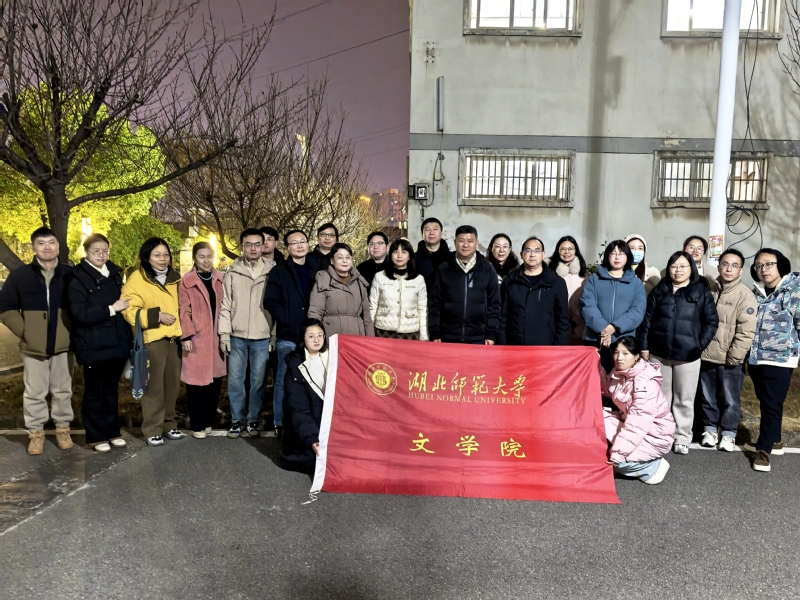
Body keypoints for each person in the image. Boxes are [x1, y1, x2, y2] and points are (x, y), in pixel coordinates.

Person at [0, 227, 74, 455]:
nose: (47, 247)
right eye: (41, 243)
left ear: (58, 246)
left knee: (63, 390)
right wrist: (25, 331)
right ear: (33, 246)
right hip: (33, 347)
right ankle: (35, 433)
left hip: (64, 345)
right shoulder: (20, 276)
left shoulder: (70, 274)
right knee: (34, 392)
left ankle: (63, 429)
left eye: (51, 242)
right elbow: (6, 306)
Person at [638, 251, 719, 455]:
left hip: (688, 355)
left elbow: (711, 322)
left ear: (691, 268)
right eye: (674, 266)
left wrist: (698, 345)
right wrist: (645, 347)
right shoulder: (660, 290)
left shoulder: (701, 291)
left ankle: (682, 436)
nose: (678, 270)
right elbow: (647, 320)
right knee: (661, 397)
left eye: (683, 266)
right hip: (659, 353)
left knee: (684, 398)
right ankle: (661, 434)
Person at [67, 233, 131, 453]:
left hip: (116, 341)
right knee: (95, 391)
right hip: (92, 343)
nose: (102, 255)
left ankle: (113, 431)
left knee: (111, 390)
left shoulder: (113, 273)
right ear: (86, 252)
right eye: (96, 251)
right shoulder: (77, 278)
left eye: (105, 251)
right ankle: (96, 436)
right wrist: (111, 309)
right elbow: (79, 314)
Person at [121, 238, 185, 447]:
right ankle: (152, 429)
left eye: (166, 254)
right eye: (157, 255)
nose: (162, 259)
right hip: (153, 339)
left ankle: (169, 424)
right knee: (153, 388)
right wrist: (157, 316)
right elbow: (129, 310)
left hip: (174, 339)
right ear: (147, 257)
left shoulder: (176, 278)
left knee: (172, 386)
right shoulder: (137, 279)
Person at [745, 248, 800, 472]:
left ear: (781, 265)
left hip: (780, 359)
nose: (763, 269)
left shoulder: (794, 291)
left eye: (769, 264)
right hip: (756, 357)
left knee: (771, 404)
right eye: (759, 266)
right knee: (766, 401)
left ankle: (763, 450)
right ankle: (775, 439)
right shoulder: (756, 292)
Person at [263, 229, 321, 439]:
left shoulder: (317, 270)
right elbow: (270, 301)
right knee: (284, 379)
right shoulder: (279, 271)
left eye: (302, 241)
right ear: (287, 248)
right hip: (289, 335)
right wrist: (286, 319)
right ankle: (280, 422)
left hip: (313, 336)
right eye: (294, 243)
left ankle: (311, 423)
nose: (299, 246)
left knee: (314, 379)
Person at [218, 228, 275, 439]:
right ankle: (237, 420)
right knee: (235, 381)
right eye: (248, 244)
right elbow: (225, 304)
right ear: (242, 246)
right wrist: (224, 334)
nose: (253, 248)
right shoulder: (232, 272)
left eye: (257, 244)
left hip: (262, 335)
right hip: (237, 335)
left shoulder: (272, 271)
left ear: (263, 246)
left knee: (258, 382)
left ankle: (253, 420)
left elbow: (277, 306)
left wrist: (274, 334)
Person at [699, 248, 757, 452]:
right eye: (725, 264)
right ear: (719, 266)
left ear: (741, 270)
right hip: (707, 355)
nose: (729, 269)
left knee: (730, 400)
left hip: (730, 359)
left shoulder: (745, 296)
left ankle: (729, 434)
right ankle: (710, 430)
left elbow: (746, 330)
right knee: (708, 396)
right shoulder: (710, 290)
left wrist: (736, 356)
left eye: (734, 265)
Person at [599, 336, 675, 485]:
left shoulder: (644, 385)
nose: (619, 358)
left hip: (655, 436)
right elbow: (606, 388)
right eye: (616, 353)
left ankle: (652, 467)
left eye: (625, 353)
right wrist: (594, 365)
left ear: (636, 357)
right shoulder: (620, 373)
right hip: (632, 425)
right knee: (596, 419)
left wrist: (618, 455)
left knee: (614, 462)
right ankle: (636, 458)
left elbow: (636, 426)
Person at [179, 242, 226, 439]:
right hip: (197, 338)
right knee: (196, 383)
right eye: (201, 257)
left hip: (217, 337)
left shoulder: (221, 279)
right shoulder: (187, 281)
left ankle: (208, 422)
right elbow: (183, 310)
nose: (206, 261)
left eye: (209, 256)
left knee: (215, 382)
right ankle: (197, 425)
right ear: (194, 259)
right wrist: (186, 335)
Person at [428, 225, 501, 345]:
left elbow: (494, 305)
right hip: (448, 336)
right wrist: (435, 331)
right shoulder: (444, 269)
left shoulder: (488, 269)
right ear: (455, 242)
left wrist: (491, 333)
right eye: (461, 241)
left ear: (477, 243)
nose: (465, 245)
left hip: (479, 337)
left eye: (470, 241)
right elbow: (434, 303)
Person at [579, 240, 647, 360]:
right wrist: (604, 328)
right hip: (595, 338)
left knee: (619, 372)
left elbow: (637, 311)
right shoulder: (594, 279)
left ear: (627, 256)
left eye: (621, 253)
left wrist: (614, 327)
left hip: (624, 341)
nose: (617, 257)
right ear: (607, 255)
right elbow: (587, 305)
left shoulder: (635, 283)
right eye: (613, 253)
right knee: (594, 371)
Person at [498, 236, 569, 346]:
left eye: (537, 251)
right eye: (528, 251)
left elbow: (562, 320)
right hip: (515, 346)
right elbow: (502, 318)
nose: (532, 254)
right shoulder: (510, 282)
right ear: (522, 254)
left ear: (543, 254)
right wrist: (503, 345)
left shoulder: (556, 283)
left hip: (546, 347)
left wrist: (558, 348)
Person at [280, 319, 329, 475]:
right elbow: (297, 407)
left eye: (320, 335)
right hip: (305, 431)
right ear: (303, 339)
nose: (316, 340)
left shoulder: (332, 359)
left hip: (326, 426)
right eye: (311, 336)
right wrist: (312, 438)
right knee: (317, 461)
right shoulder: (296, 365)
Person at [308, 242, 374, 336]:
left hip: (357, 337)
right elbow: (315, 312)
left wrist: (370, 339)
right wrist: (315, 337)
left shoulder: (359, 282)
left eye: (348, 257)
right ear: (332, 260)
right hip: (331, 336)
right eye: (340, 257)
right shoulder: (323, 280)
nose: (344, 261)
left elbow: (367, 316)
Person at [369, 238, 428, 340]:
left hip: (410, 332)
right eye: (395, 252)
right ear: (390, 255)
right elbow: (372, 306)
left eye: (404, 252)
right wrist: (370, 333)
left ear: (409, 256)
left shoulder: (419, 279)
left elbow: (422, 309)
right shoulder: (379, 277)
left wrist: (423, 335)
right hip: (383, 330)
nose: (399, 256)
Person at [548, 236, 589, 345]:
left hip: (579, 324)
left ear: (576, 251)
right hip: (556, 323)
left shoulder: (585, 275)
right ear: (558, 251)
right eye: (563, 249)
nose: (567, 252)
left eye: (570, 249)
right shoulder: (549, 273)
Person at [415, 217, 450, 290]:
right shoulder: (413, 258)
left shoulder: (451, 258)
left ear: (441, 233)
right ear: (422, 234)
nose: (431, 233)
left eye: (435, 229)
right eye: (427, 230)